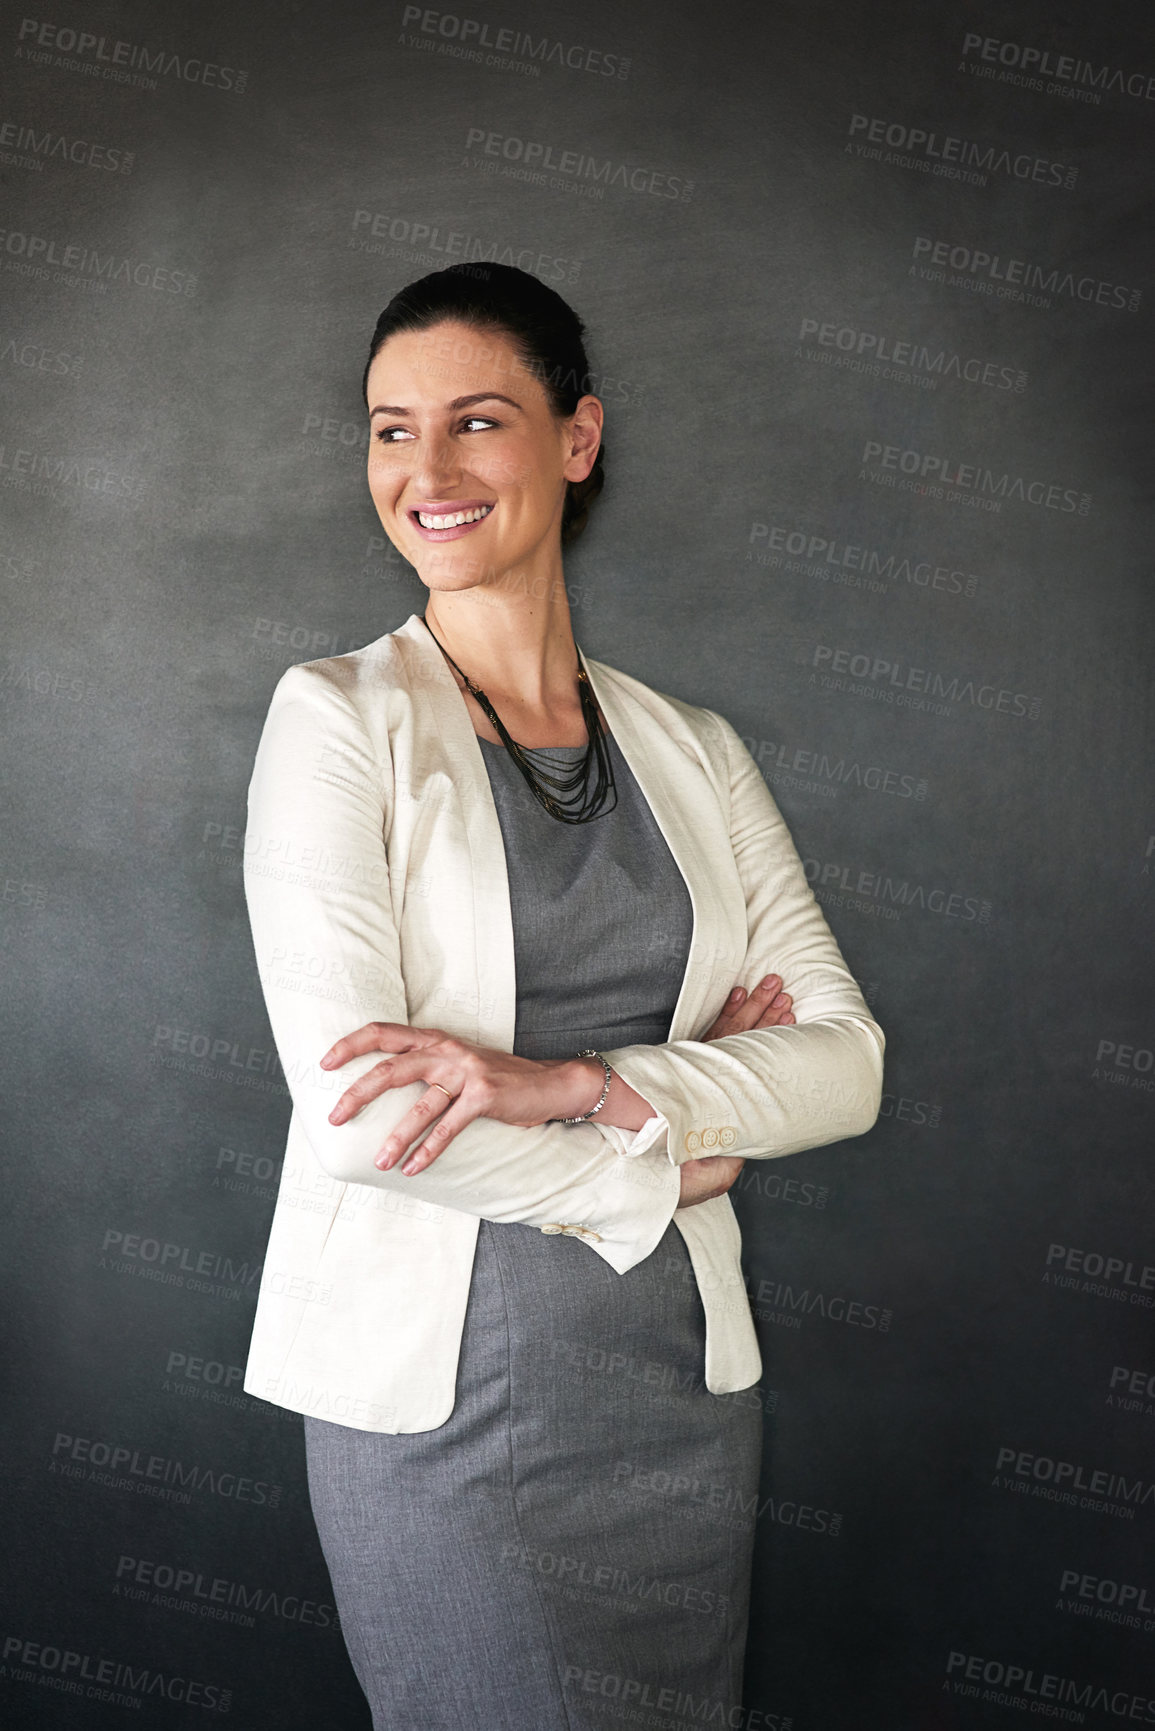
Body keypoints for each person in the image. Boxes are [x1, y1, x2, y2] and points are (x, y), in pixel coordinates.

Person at [241, 262, 885, 1731]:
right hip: (442, 1403)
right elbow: (361, 1124)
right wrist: (668, 1169)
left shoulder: (693, 748)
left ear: (575, 438)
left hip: (679, 1395)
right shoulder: (334, 720)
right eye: (390, 430)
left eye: (477, 420)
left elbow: (846, 1062)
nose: (428, 471)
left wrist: (590, 1087)